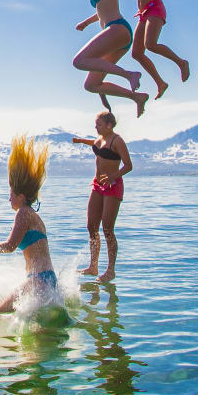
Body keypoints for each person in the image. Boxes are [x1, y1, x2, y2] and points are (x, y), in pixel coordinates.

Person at [0, 134, 56, 313]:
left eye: (11, 195)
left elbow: (10, 247)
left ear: (21, 197)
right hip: (47, 279)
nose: (9, 200)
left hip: (38, 280)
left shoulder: (23, 213)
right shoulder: (34, 216)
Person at [74, 110, 132, 281]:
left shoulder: (117, 141)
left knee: (107, 228)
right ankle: (93, 266)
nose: (96, 127)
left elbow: (128, 165)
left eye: (98, 124)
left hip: (113, 186)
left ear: (109, 125)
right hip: (97, 185)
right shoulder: (100, 139)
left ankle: (110, 270)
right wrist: (80, 141)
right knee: (91, 226)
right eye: (95, 124)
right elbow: (94, 143)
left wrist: (114, 176)